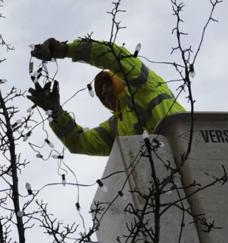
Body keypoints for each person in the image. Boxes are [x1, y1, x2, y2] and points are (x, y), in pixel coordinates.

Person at [27, 37, 185, 156]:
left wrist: (66, 50)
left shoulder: (144, 85)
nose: (104, 92)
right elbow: (81, 143)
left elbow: (114, 57)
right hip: (159, 179)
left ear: (118, 79)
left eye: (107, 84)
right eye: (100, 93)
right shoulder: (115, 127)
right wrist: (56, 113)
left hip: (186, 144)